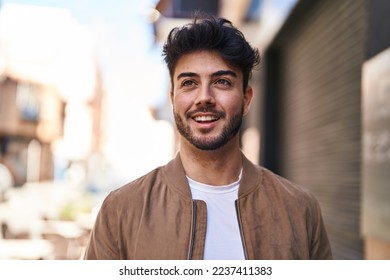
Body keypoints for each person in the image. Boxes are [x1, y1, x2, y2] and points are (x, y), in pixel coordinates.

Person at [84, 15, 333, 260]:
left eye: (222, 82)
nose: (204, 97)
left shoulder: (300, 210)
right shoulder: (121, 211)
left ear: (246, 99)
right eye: (189, 82)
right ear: (172, 98)